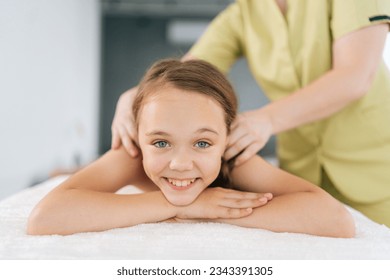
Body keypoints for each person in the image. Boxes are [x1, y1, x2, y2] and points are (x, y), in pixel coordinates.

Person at [111, 0, 390, 226]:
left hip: (372, 162)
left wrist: (267, 119)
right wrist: (132, 97)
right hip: (304, 165)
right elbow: (184, 77)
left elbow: (354, 76)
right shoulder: (243, 13)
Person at [27, 59, 354, 237]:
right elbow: (45, 218)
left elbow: (336, 220)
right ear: (139, 138)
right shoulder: (133, 156)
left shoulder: (234, 160)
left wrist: (211, 207)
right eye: (160, 142)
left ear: (226, 139)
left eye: (202, 143)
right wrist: (184, 207)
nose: (181, 163)